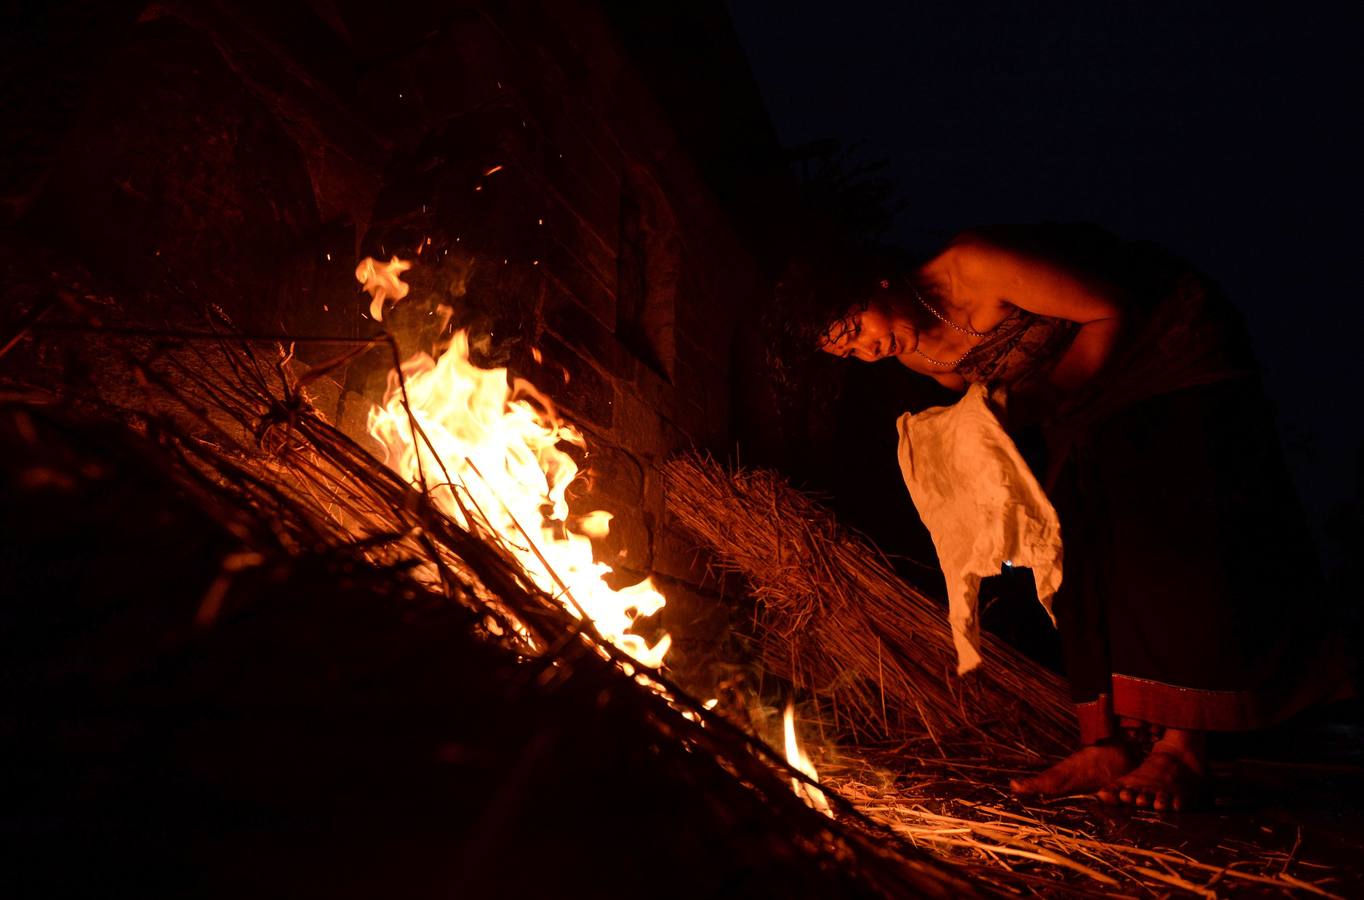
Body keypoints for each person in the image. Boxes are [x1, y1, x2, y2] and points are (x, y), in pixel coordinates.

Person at [813, 223, 1351, 811]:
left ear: (875, 282)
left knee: (1163, 532)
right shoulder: (917, 355)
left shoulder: (972, 267)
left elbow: (1108, 311)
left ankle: (1180, 750)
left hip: (1159, 347)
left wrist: (1042, 411)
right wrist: (964, 444)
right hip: (1079, 397)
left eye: (856, 329)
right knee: (1076, 544)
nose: (868, 351)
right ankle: (1107, 743)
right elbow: (1010, 403)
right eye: (848, 351)